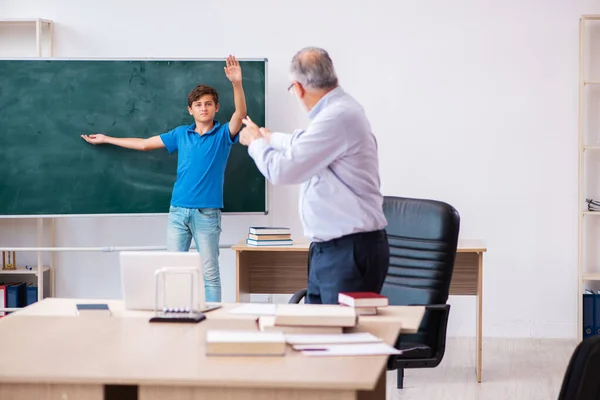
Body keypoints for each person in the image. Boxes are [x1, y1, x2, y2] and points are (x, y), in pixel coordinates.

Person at [81, 55, 247, 303]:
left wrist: (236, 83)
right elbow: (146, 144)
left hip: (206, 214)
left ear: (216, 108)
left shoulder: (223, 134)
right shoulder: (181, 134)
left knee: (210, 273)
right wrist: (108, 139)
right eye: (199, 104)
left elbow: (241, 113)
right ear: (190, 109)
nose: (204, 107)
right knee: (174, 270)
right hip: (178, 212)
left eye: (209, 104)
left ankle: (214, 318)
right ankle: (175, 313)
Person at [238, 47, 389, 304]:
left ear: (298, 88)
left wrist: (255, 143)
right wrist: (269, 137)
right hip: (331, 250)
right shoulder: (338, 111)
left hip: (347, 252)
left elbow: (283, 170)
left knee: (338, 339)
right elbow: (304, 144)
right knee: (320, 334)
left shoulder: (337, 116)